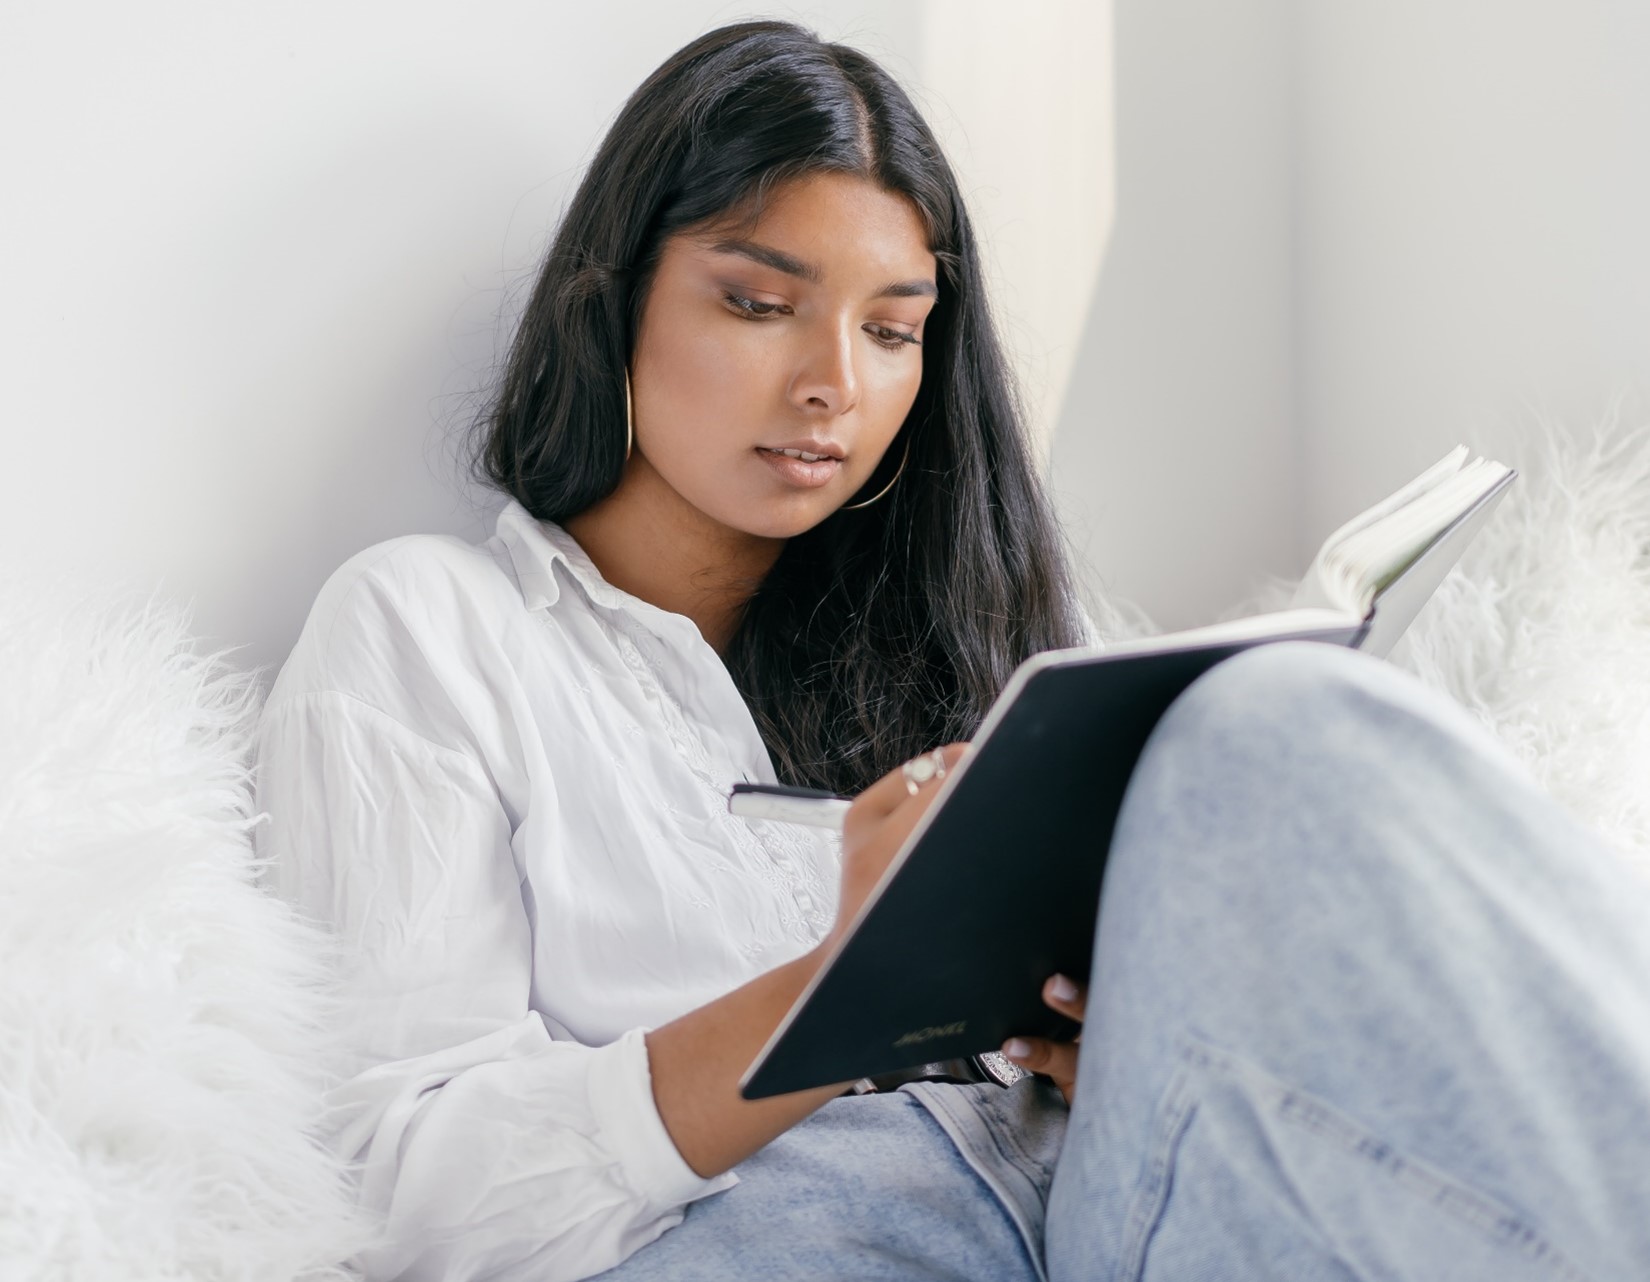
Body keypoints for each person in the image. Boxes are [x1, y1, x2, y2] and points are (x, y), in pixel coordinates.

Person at [253, 19, 1650, 1282]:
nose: (832, 385)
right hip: (775, 1240)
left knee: (1284, 724)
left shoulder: (987, 636)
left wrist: (1108, 1025)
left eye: (893, 329)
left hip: (1083, 1209)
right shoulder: (428, 630)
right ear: (608, 299)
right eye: (756, 303)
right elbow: (410, 1199)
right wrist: (843, 987)